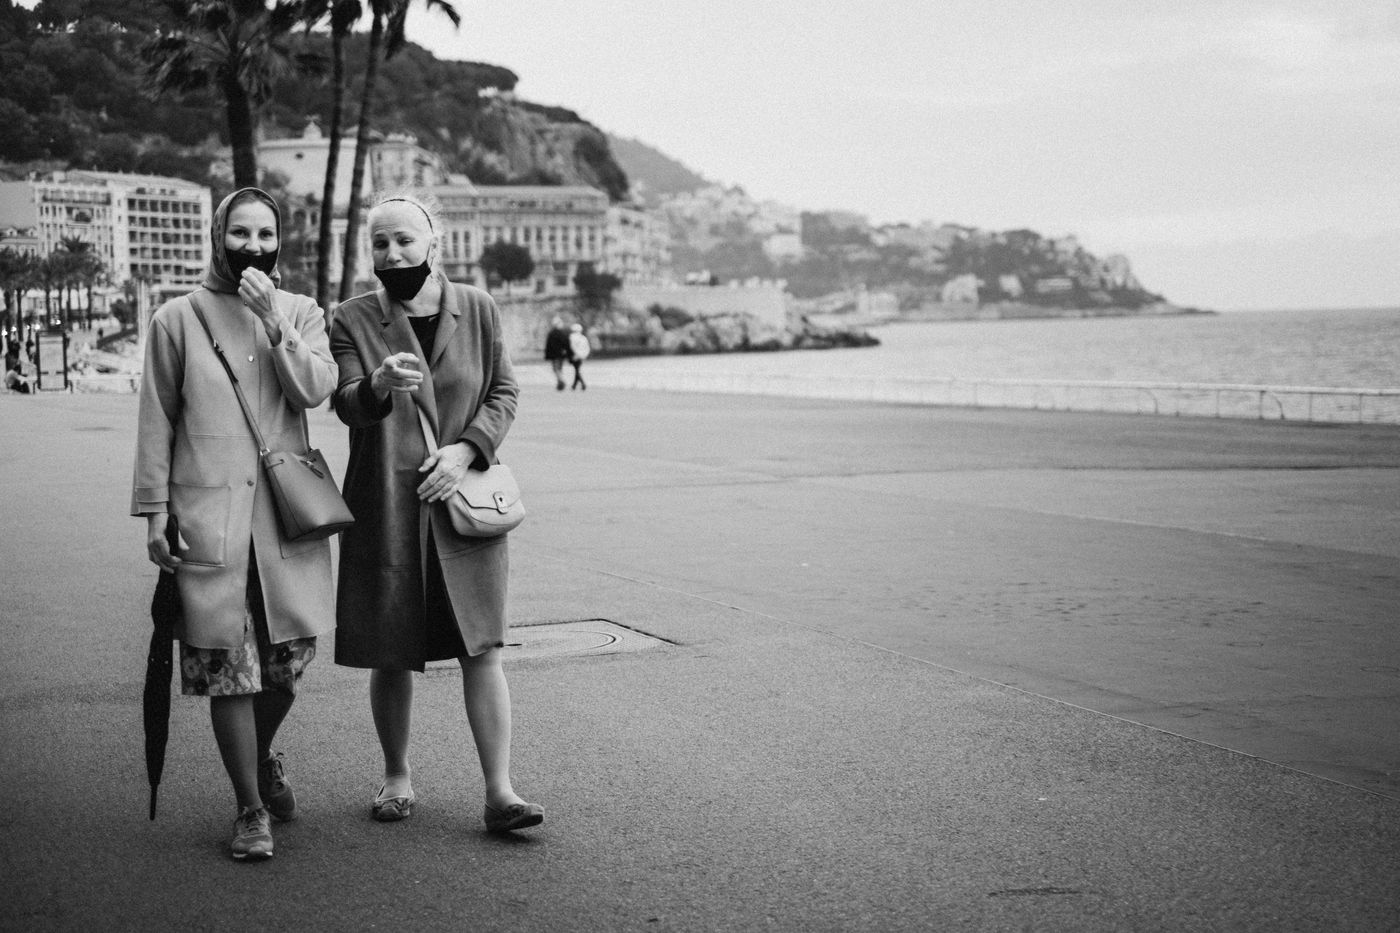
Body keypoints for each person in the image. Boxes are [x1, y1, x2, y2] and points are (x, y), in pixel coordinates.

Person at [131, 187, 338, 861]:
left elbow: (316, 389)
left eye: (265, 234)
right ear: (218, 235)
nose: (253, 246)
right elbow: (157, 420)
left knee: (287, 663)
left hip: (283, 519)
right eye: (240, 232)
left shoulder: (301, 311)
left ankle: (262, 754)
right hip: (208, 519)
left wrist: (274, 320)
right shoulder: (177, 318)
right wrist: (155, 513)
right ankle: (250, 807)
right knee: (228, 669)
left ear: (280, 241)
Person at [329, 192, 543, 833]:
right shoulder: (351, 318)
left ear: (433, 243)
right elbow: (345, 401)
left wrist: (466, 449)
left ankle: (501, 793)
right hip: (387, 504)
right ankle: (396, 777)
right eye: (380, 243)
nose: (393, 253)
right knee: (391, 651)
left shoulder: (476, 307)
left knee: (483, 647)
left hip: (465, 499)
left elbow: (503, 390)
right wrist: (375, 385)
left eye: (405, 240)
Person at [543, 316, 570, 391]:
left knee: (556, 369)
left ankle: (561, 381)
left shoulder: (552, 333)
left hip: (554, 355)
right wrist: (567, 352)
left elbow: (548, 345)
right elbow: (566, 344)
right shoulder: (562, 333)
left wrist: (548, 355)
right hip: (561, 354)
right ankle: (560, 384)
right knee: (559, 369)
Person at [567, 322, 591, 391]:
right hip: (580, 355)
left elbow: (572, 347)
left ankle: (581, 384)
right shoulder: (583, 338)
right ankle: (575, 385)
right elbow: (587, 348)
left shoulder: (572, 337)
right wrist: (584, 354)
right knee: (577, 369)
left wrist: (577, 354)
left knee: (577, 370)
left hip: (575, 356)